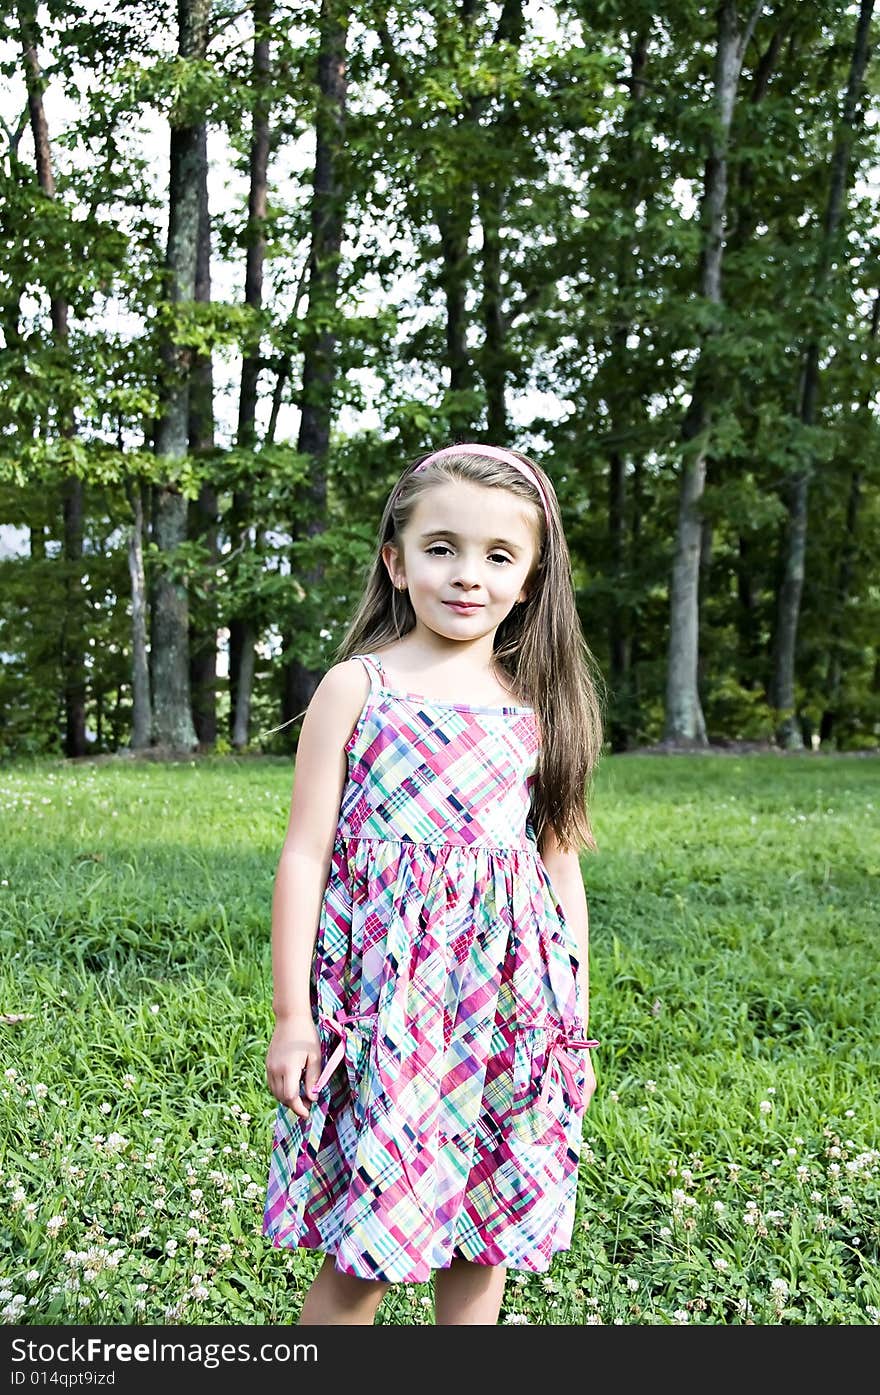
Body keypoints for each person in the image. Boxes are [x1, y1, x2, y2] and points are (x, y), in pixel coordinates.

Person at [263, 442, 605, 1325]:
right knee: (367, 1246)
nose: (467, 575)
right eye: (441, 547)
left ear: (530, 579)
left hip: (509, 1009)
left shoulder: (538, 708)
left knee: (485, 1233)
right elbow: (305, 852)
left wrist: (573, 1026)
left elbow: (559, 868)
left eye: (499, 557)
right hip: (390, 1011)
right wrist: (292, 1018)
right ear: (396, 560)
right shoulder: (357, 687)